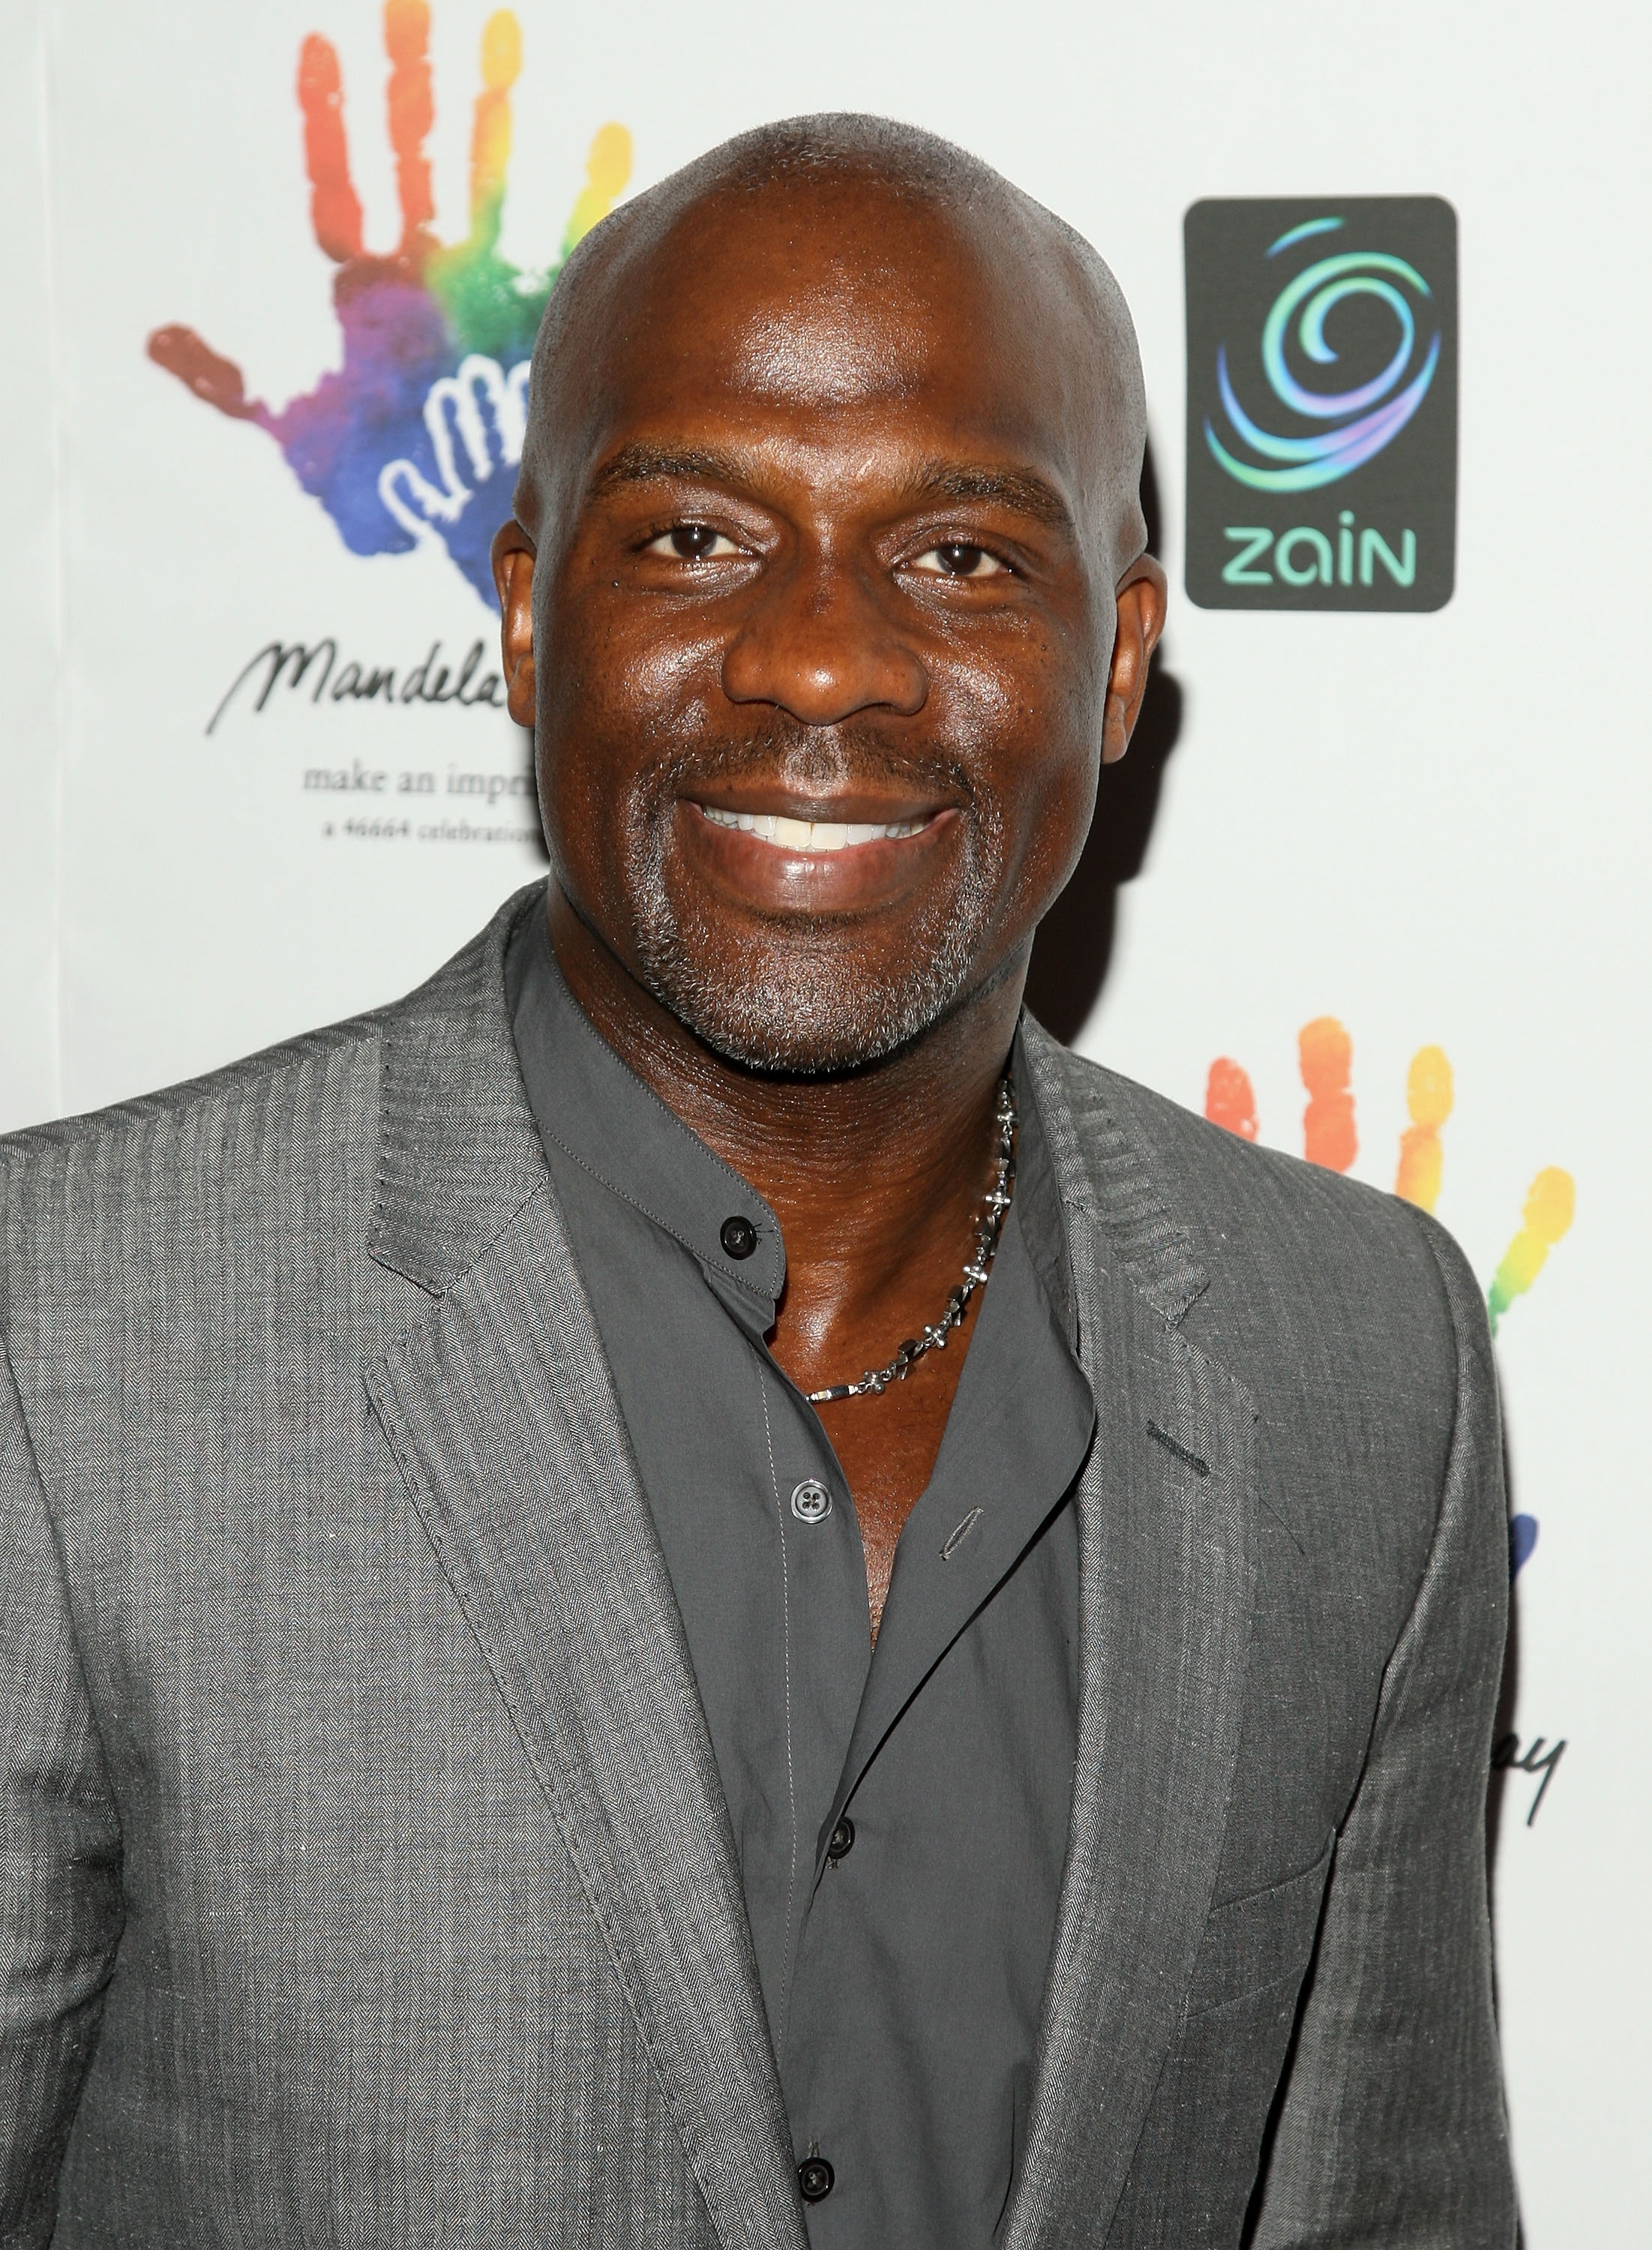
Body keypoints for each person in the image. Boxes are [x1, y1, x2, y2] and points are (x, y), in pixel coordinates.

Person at [0, 115, 1515, 2249]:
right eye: (699, 537)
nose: (821, 660)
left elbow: (1385, 2201)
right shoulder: (61, 1341)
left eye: (964, 555)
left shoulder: (1363, 1350)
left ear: (1116, 654)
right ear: (529, 620)